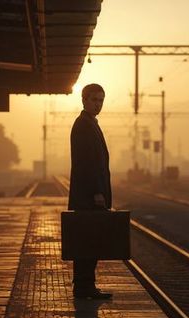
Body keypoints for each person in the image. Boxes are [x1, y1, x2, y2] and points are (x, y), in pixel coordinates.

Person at [68, 83, 113, 299]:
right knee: (87, 242)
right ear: (84, 100)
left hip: (90, 195)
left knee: (89, 241)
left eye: (101, 100)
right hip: (89, 196)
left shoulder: (89, 124)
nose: (98, 104)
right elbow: (88, 163)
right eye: (94, 100)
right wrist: (97, 191)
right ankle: (84, 287)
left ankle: (86, 285)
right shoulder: (84, 125)